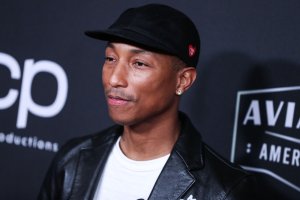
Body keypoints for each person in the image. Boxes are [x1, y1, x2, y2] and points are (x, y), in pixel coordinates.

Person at [38, 4, 257, 200]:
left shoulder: (224, 190)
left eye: (139, 63)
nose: (114, 78)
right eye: (110, 59)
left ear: (183, 80)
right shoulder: (72, 160)